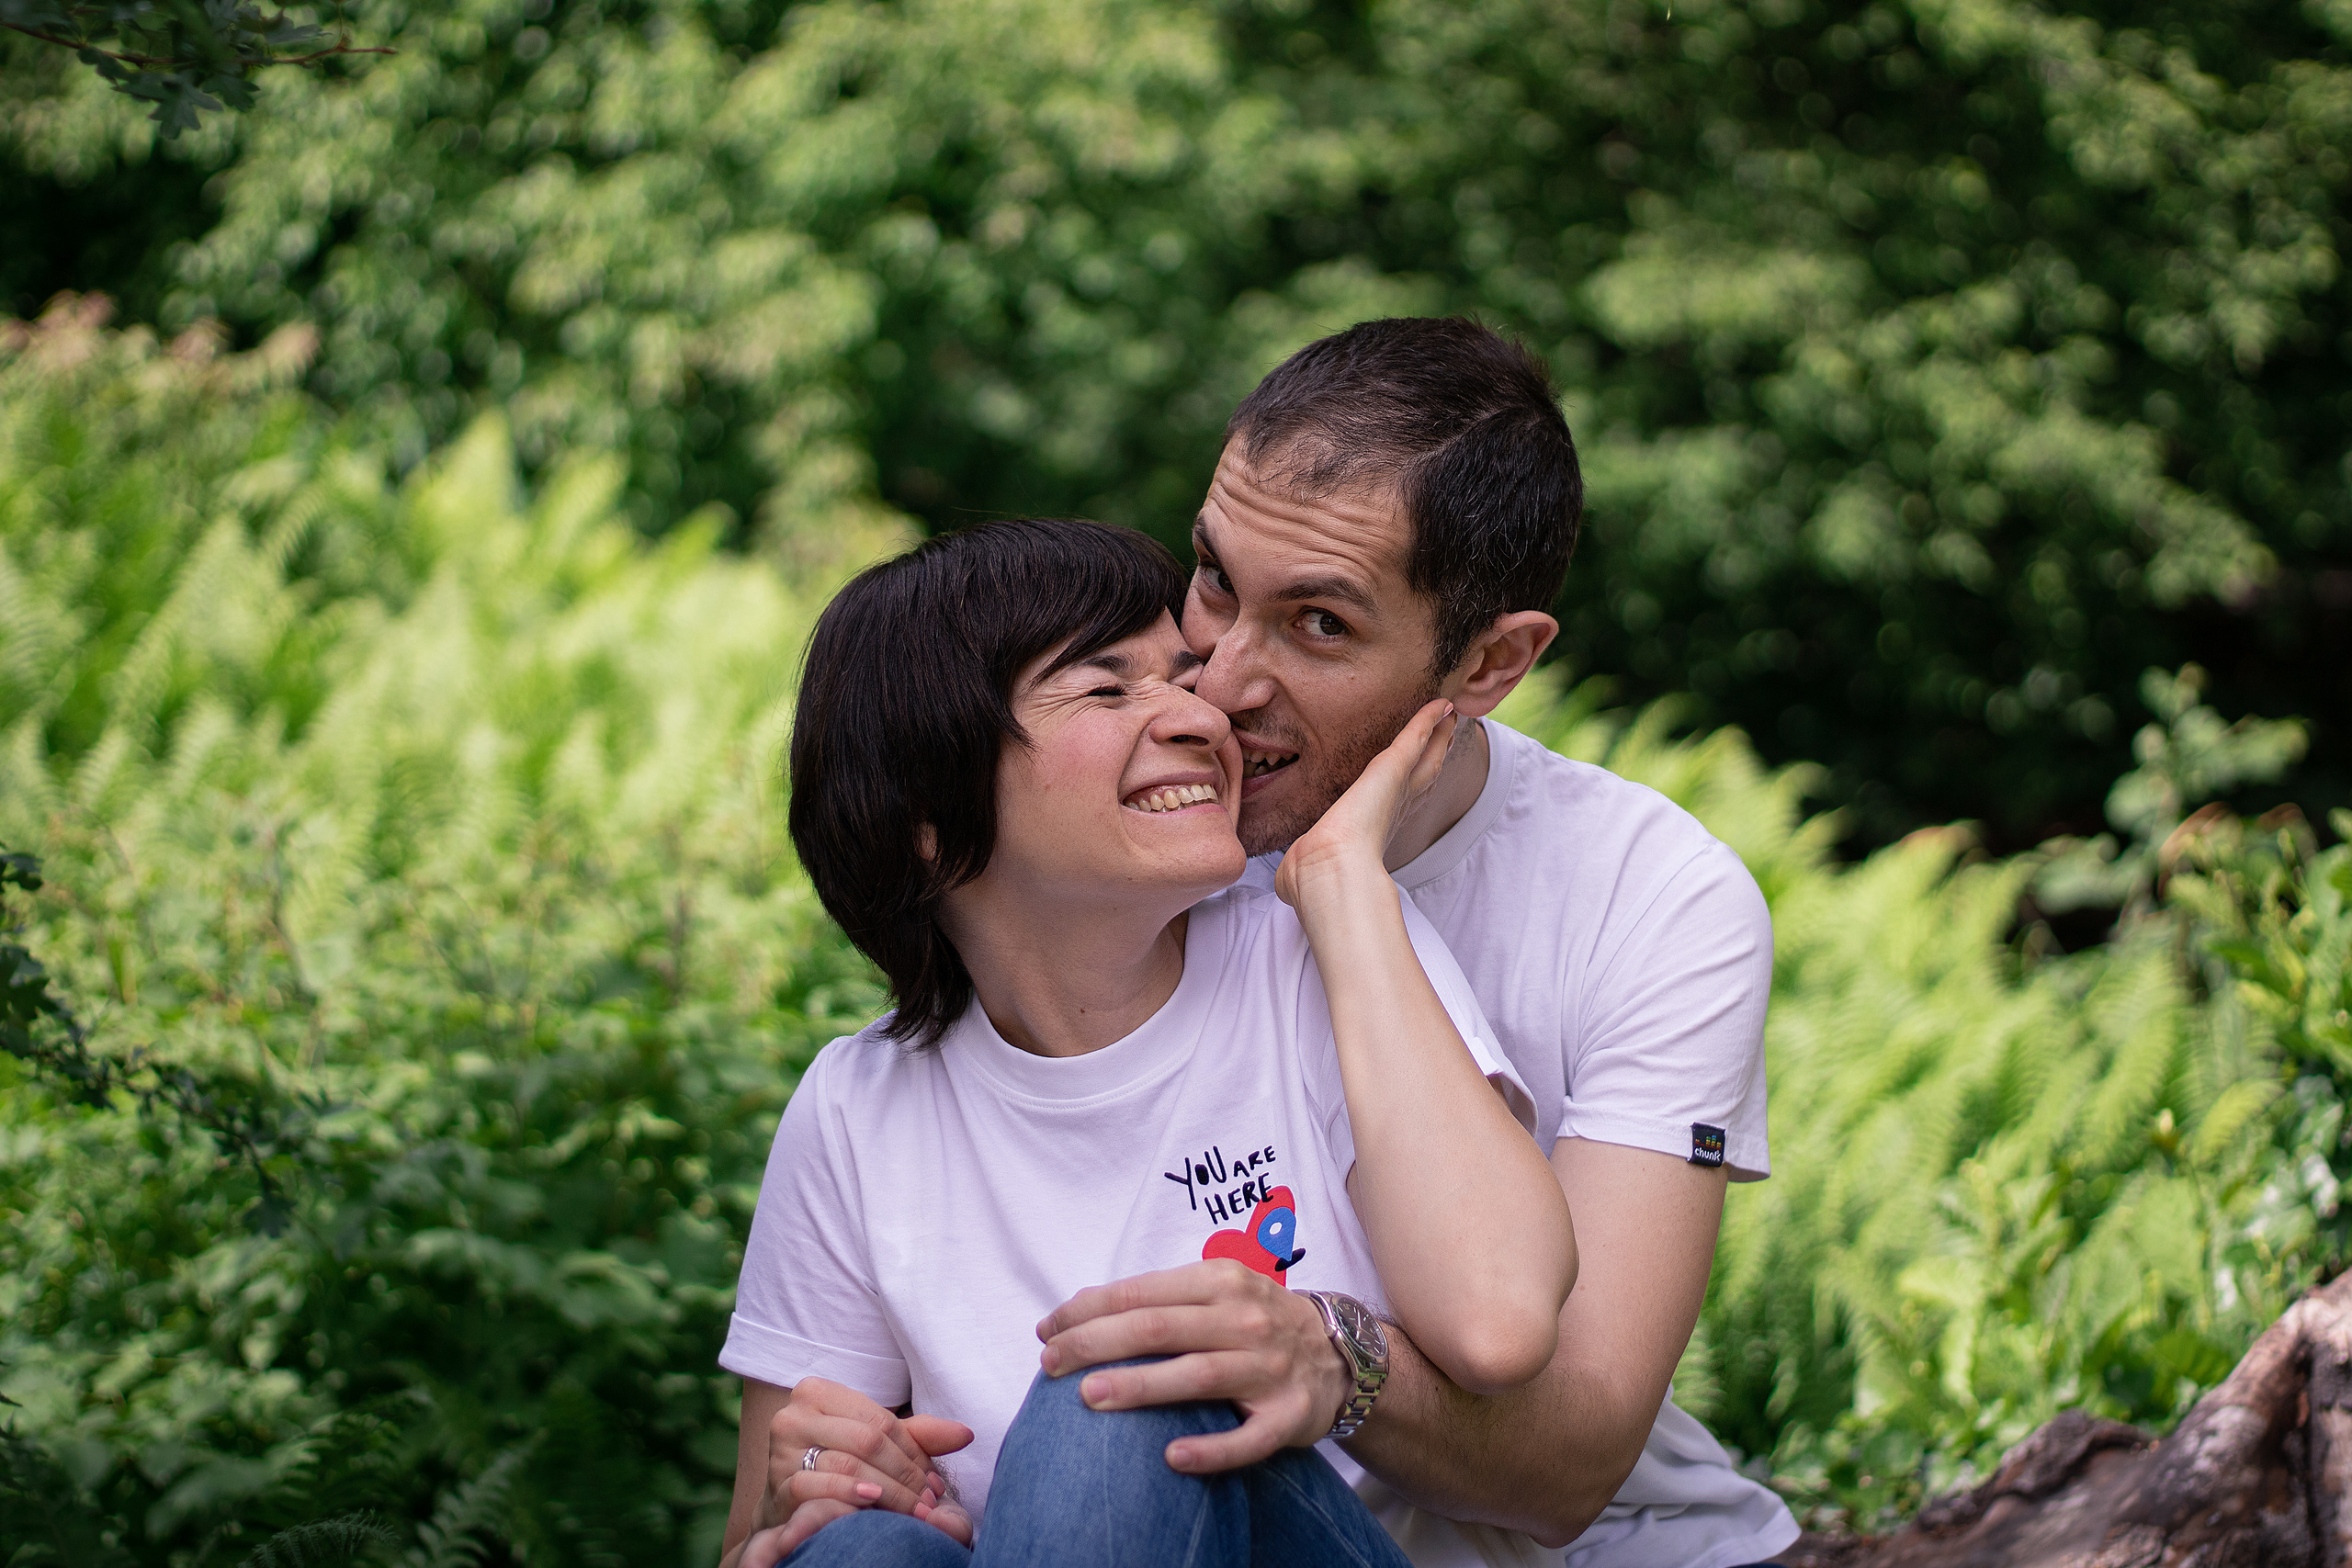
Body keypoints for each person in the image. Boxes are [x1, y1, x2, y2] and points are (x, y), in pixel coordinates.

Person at [1036, 319, 1802, 1568]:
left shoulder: (1654, 897)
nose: (1220, 681)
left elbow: (1572, 1463)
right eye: (1215, 578)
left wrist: (1330, 1356)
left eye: (1319, 624)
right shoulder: (1138, 831)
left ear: (1491, 661)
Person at [716, 517, 1578, 1567]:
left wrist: (1342, 877)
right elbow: (754, 1542)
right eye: (1107, 689)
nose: (1202, 716)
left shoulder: (1323, 960)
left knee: (1125, 1389)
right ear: (925, 817)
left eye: (1181, 676)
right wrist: (811, 1485)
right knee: (858, 1551)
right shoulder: (858, 1109)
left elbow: (1498, 1320)